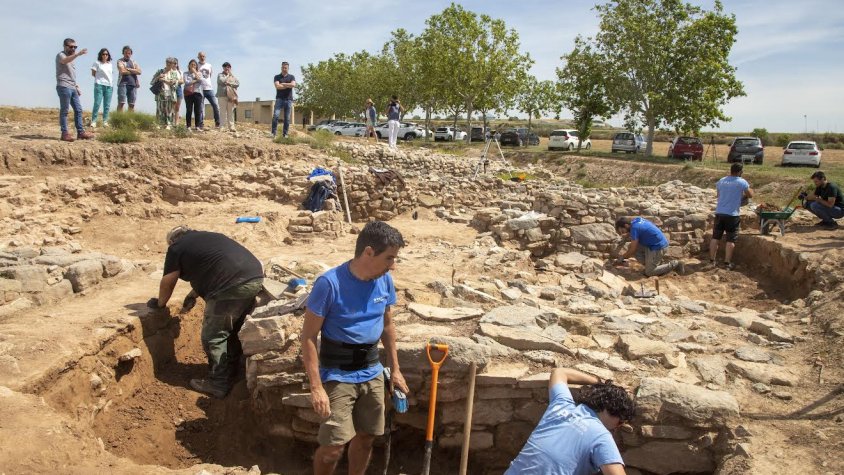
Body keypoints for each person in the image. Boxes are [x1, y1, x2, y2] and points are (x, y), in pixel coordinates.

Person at [301, 221, 409, 475]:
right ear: (369, 252)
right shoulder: (329, 284)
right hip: (337, 373)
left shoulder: (385, 282)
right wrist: (316, 387)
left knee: (367, 437)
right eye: (389, 258)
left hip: (371, 371)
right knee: (332, 449)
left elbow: (388, 325)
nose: (393, 265)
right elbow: (308, 336)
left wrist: (395, 369)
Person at [147, 226, 264, 398]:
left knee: (213, 336)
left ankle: (218, 383)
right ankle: (233, 372)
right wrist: (194, 294)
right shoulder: (208, 237)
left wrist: (160, 304)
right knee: (231, 331)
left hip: (230, 287)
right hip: (254, 279)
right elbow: (213, 265)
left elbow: (168, 280)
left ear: (172, 241)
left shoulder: (176, 247)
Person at [505, 367, 635, 475]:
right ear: (613, 413)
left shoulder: (561, 405)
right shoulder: (601, 437)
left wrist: (598, 383)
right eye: (620, 422)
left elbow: (559, 372)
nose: (617, 428)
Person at [709, 163, 753, 269]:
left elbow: (719, 195)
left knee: (715, 238)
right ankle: (727, 263)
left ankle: (711, 261)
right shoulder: (741, 182)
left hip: (719, 213)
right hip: (732, 215)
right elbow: (750, 195)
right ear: (740, 172)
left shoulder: (722, 180)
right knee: (730, 240)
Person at [615, 216, 684, 276]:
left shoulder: (634, 229)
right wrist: (626, 236)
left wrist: (622, 257)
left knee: (649, 272)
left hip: (658, 247)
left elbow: (633, 249)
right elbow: (640, 232)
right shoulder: (636, 221)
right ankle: (654, 265)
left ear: (626, 225)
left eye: (622, 231)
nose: (623, 233)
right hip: (654, 244)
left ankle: (676, 264)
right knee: (631, 246)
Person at [55, 38, 94, 142]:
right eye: (71, 47)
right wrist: (78, 54)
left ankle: (80, 132)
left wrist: (76, 86)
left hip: (72, 87)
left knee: (78, 109)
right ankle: (64, 133)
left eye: (75, 47)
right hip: (63, 86)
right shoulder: (61, 55)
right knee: (65, 110)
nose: (73, 48)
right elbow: (64, 61)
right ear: (65, 46)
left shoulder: (72, 60)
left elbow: (71, 74)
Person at [151, 57, 182, 129]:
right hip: (160, 93)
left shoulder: (175, 73)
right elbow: (152, 82)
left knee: (169, 109)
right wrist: (158, 77)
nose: (169, 64)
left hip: (170, 93)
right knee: (160, 109)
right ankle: (159, 124)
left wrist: (165, 80)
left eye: (171, 63)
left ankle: (169, 124)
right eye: (168, 62)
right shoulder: (160, 71)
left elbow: (176, 84)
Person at [90, 48, 114, 128]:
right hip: (99, 85)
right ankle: (93, 121)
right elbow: (93, 73)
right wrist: (99, 80)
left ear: (108, 55)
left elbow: (110, 75)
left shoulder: (110, 64)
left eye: (106, 54)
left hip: (109, 86)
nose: (105, 56)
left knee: (107, 105)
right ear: (100, 55)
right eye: (103, 54)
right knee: (97, 103)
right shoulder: (97, 63)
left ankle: (105, 121)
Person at [271, 61, 296, 138]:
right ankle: (273, 133)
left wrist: (283, 84)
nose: (284, 69)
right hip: (279, 99)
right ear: (281, 68)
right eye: (283, 67)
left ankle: (285, 134)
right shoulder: (277, 77)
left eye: (286, 68)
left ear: (288, 68)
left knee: (287, 118)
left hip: (288, 100)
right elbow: (277, 86)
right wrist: (288, 85)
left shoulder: (291, 77)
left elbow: (293, 85)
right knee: (276, 115)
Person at [198, 51, 220, 128]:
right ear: (198, 57)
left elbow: (210, 75)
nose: (202, 57)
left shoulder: (209, 65)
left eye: (203, 56)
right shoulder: (196, 65)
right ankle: (200, 124)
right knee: (200, 107)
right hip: (200, 89)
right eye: (200, 56)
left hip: (209, 89)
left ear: (205, 57)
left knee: (215, 105)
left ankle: (217, 123)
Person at [116, 46, 141, 112]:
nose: (127, 55)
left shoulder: (133, 62)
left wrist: (129, 69)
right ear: (123, 53)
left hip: (133, 85)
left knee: (132, 104)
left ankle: (130, 120)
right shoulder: (120, 61)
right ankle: (118, 119)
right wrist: (134, 71)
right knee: (121, 102)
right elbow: (123, 71)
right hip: (122, 84)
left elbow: (139, 71)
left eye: (129, 53)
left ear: (131, 54)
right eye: (126, 53)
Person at [216, 62, 239, 131]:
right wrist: (229, 78)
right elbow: (221, 81)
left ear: (230, 68)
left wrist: (229, 83)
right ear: (223, 68)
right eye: (225, 66)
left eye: (228, 67)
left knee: (230, 112)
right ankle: (222, 126)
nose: (227, 68)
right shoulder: (220, 75)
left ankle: (231, 127)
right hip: (222, 95)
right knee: (222, 111)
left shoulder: (233, 76)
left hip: (231, 96)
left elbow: (237, 83)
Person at [183, 59, 204, 130]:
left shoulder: (199, 73)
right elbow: (186, 82)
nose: (193, 66)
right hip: (188, 93)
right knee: (189, 109)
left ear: (196, 66)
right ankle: (188, 126)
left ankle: (197, 126)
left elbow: (201, 80)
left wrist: (195, 72)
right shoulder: (185, 73)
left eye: (194, 65)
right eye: (191, 64)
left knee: (197, 110)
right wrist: (195, 80)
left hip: (197, 93)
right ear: (189, 65)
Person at [173, 58, 183, 125]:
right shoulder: (167, 71)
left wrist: (175, 81)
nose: (174, 65)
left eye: (175, 63)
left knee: (177, 108)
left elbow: (182, 81)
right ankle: (170, 123)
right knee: (170, 107)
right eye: (173, 63)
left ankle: (176, 124)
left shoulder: (179, 72)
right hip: (170, 89)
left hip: (178, 89)